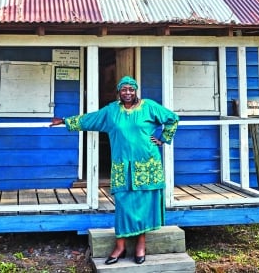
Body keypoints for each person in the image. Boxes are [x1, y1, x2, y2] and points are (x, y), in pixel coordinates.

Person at [50, 75, 179, 265]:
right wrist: (65, 121)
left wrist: (163, 139)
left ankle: (140, 246)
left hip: (147, 164)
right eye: (124, 89)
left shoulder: (149, 106)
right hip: (122, 166)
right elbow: (90, 119)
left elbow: (172, 119)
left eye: (131, 89)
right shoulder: (112, 111)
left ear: (136, 91)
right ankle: (120, 246)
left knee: (143, 206)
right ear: (119, 92)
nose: (128, 93)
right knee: (123, 206)